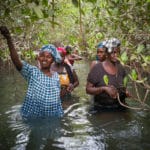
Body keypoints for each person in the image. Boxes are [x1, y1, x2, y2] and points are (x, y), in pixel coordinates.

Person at [0, 26, 64, 118]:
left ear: (53, 60)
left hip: (53, 117)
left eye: (49, 56)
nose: (45, 58)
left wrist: (65, 91)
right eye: (42, 55)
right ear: (38, 58)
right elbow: (16, 61)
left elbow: (56, 96)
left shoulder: (56, 76)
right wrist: (9, 38)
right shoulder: (33, 72)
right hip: (32, 117)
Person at [86, 38, 130, 112]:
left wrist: (125, 92)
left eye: (117, 52)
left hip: (120, 107)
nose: (115, 55)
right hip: (102, 109)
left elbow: (123, 86)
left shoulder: (120, 67)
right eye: (113, 52)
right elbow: (88, 89)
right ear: (106, 53)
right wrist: (104, 89)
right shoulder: (97, 68)